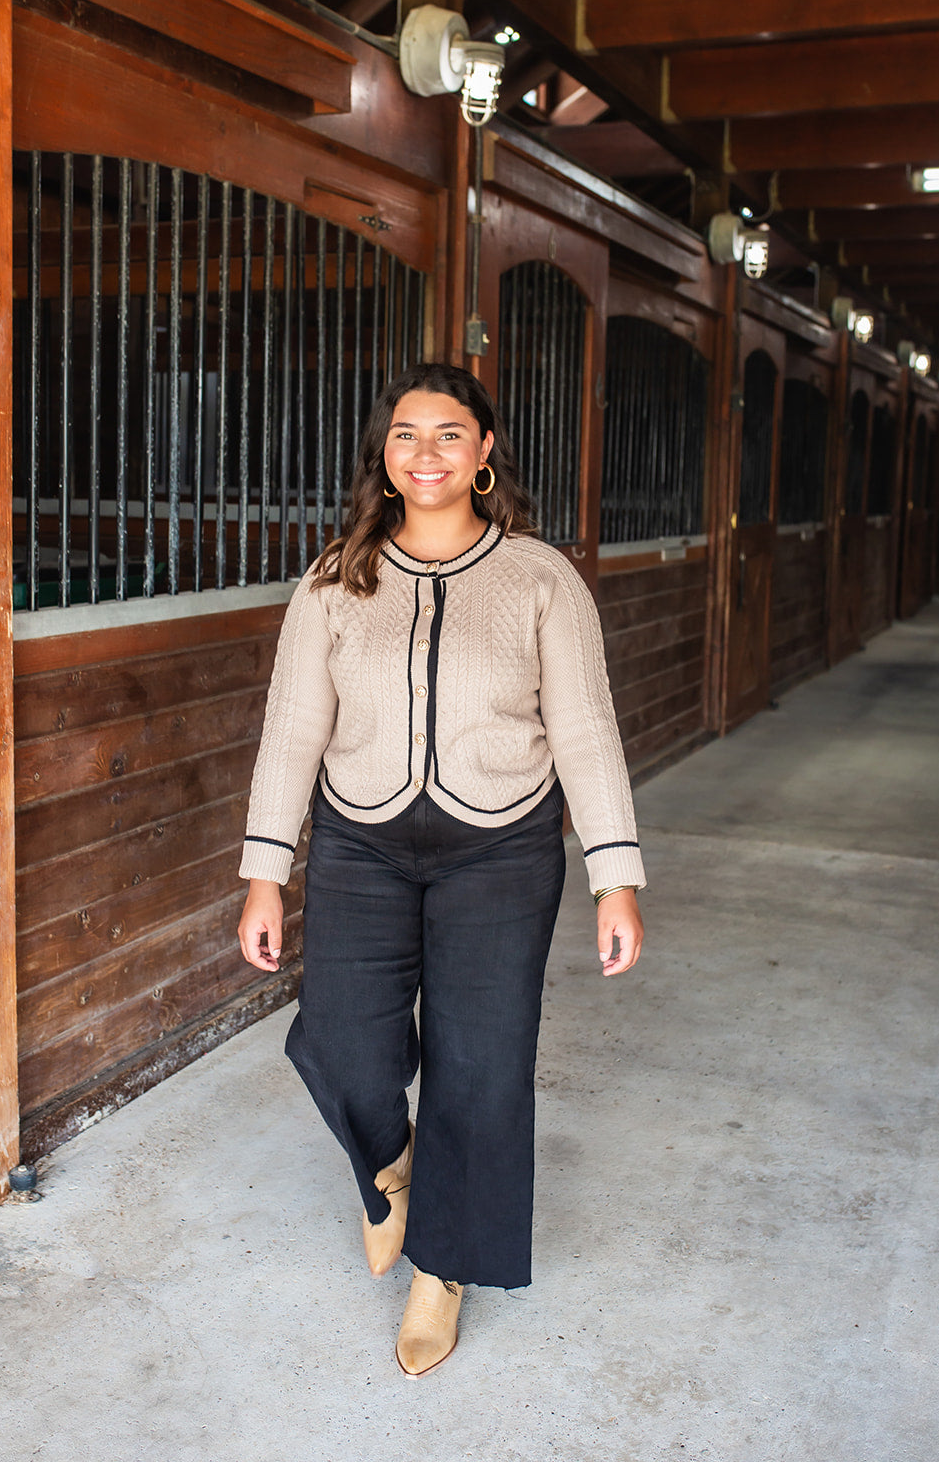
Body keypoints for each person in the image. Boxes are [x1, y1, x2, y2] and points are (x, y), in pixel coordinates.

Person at [237, 362, 645, 1378]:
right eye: (406, 435)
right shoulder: (335, 579)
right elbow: (292, 729)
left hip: (499, 848)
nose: (426, 454)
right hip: (360, 842)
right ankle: (391, 1164)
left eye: (449, 434)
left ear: (485, 452)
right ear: (383, 456)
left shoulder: (540, 579)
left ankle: (440, 1270)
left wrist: (614, 872)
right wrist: (262, 869)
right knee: (342, 1041)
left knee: (480, 1063)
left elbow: (586, 731)